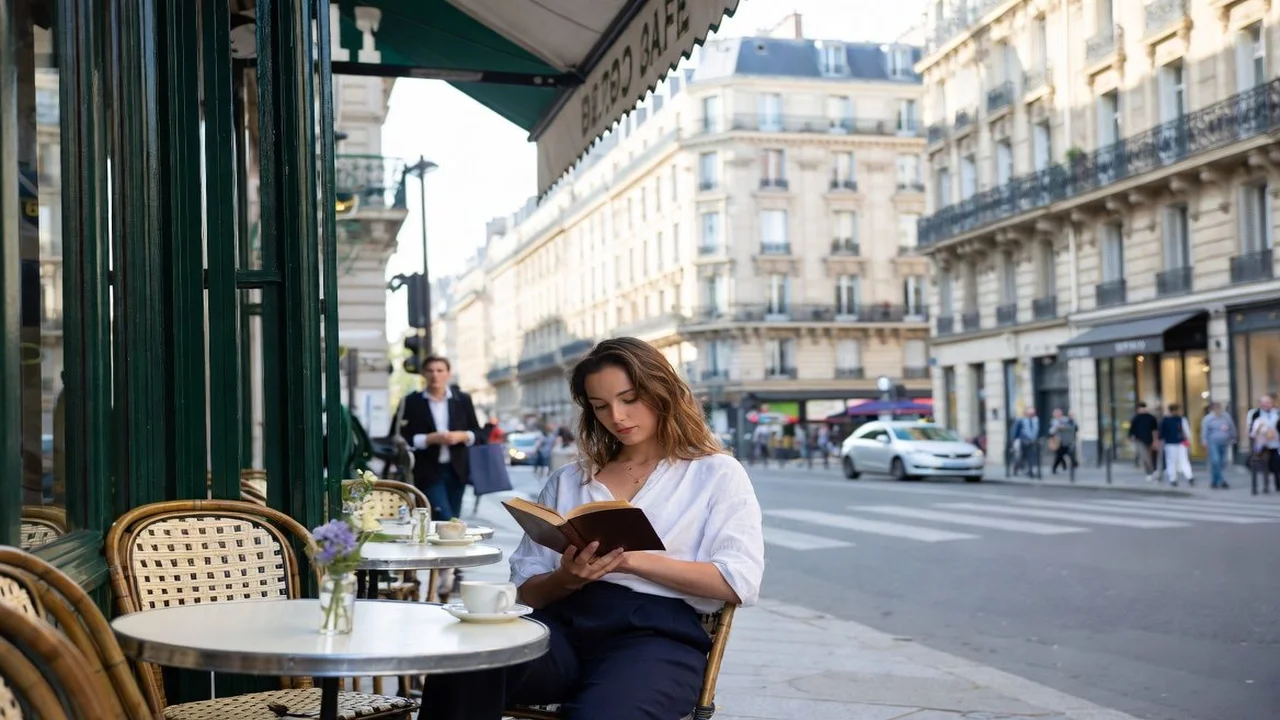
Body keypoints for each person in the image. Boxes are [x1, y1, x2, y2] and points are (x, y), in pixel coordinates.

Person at [423, 337, 765, 720]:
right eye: (600, 406)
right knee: (462, 664)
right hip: (562, 626)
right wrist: (567, 578)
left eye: (629, 398)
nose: (616, 416)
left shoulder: (714, 473)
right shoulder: (570, 480)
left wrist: (631, 561)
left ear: (661, 390)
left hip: (657, 636)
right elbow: (526, 590)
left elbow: (739, 582)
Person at [392, 355, 485, 521]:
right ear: (423, 374)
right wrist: (428, 439)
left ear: (448, 373)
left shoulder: (462, 400)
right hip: (427, 470)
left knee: (453, 517)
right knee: (444, 517)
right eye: (430, 370)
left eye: (440, 370)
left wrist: (462, 436)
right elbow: (398, 436)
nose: (435, 375)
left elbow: (477, 433)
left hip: (457, 470)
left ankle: (444, 546)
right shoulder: (411, 402)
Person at [1247, 394, 1279, 494]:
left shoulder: (1276, 413)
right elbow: (1251, 431)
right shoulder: (1255, 414)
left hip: (1275, 444)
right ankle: (1256, 488)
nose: (1266, 405)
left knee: (1276, 465)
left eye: (1268, 402)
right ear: (1261, 404)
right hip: (1260, 445)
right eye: (1264, 403)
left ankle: (1276, 485)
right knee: (1256, 463)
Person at [1200, 402, 1236, 489]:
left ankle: (1214, 481)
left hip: (1224, 442)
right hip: (1213, 443)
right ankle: (1222, 481)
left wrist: (1233, 437)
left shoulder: (1226, 417)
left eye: (1219, 408)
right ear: (1212, 410)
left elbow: (1231, 427)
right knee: (1216, 461)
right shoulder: (1208, 419)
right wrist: (1204, 441)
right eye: (1216, 408)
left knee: (1222, 462)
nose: (1219, 410)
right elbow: (1204, 431)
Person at [1157, 403, 1193, 487]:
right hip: (1180, 442)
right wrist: (1188, 441)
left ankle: (1173, 479)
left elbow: (1161, 433)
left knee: (1171, 462)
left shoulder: (1165, 420)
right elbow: (1186, 432)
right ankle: (1189, 477)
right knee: (1183, 460)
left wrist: (1160, 441)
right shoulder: (1181, 419)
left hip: (1170, 443)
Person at [1127, 402, 1158, 478]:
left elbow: (1154, 430)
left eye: (1143, 408)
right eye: (1140, 408)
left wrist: (1155, 440)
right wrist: (1130, 438)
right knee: (1145, 457)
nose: (1142, 410)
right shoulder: (1135, 418)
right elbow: (1131, 430)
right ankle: (1149, 472)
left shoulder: (1151, 418)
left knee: (1151, 457)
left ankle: (1153, 471)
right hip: (1139, 440)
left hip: (1150, 440)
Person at [1011, 407, 1041, 478]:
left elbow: (1037, 430)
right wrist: (1014, 440)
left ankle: (1030, 472)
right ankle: (1016, 469)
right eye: (1030, 413)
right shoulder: (1021, 420)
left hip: (1031, 441)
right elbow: (1016, 431)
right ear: (1026, 413)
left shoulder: (1036, 420)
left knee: (1030, 457)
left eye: (1033, 413)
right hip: (1022, 441)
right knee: (1020, 457)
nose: (1031, 415)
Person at [1049, 408, 1078, 475]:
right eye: (1056, 414)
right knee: (1059, 456)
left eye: (1058, 414)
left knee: (1067, 453)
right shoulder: (1053, 421)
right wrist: (1056, 428)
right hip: (1058, 441)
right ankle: (1056, 468)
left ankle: (1073, 464)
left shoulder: (1066, 419)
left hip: (1066, 440)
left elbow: (1074, 426)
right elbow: (1050, 432)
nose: (1057, 415)